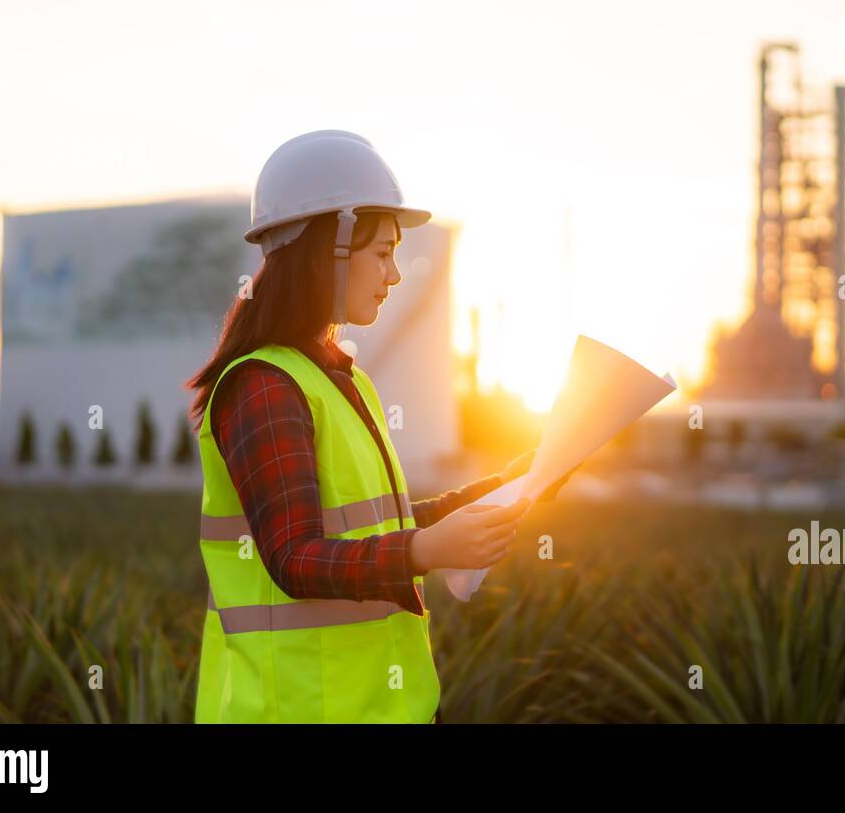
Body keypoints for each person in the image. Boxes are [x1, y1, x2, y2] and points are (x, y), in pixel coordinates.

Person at [185, 131, 571, 723]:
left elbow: (377, 523)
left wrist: (517, 480)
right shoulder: (263, 386)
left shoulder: (341, 379)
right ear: (330, 248)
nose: (394, 274)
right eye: (382, 253)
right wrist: (424, 551)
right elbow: (294, 557)